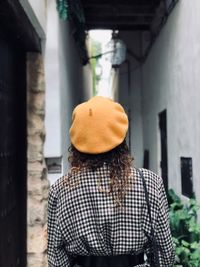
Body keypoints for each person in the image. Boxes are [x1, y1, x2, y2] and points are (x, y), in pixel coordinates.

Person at [47, 96, 175, 267]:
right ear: (121, 137)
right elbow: (165, 255)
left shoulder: (60, 190)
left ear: (78, 141)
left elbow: (55, 257)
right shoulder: (150, 183)